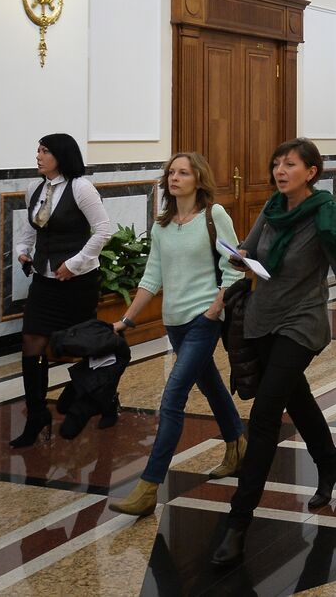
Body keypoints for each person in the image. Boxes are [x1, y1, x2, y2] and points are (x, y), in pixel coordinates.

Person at [210, 137, 336, 568]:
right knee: (298, 398)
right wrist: (240, 260)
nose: (279, 170)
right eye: (276, 164)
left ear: (311, 171)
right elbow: (248, 251)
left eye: (289, 164)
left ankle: (238, 525)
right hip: (261, 319)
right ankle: (329, 464)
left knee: (266, 414)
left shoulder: (324, 216)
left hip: (301, 323)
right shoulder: (272, 210)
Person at [109, 152, 248, 517]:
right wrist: (127, 319)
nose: (175, 178)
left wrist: (216, 307)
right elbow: (151, 276)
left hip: (204, 319)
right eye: (171, 172)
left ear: (198, 179)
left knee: (172, 398)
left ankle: (148, 487)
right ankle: (238, 444)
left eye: (183, 173)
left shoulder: (214, 216)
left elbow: (234, 268)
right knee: (212, 386)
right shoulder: (162, 224)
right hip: (174, 322)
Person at [11, 134, 113, 448]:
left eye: (45, 151)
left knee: (86, 345)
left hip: (78, 282)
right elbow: (30, 228)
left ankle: (107, 399)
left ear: (61, 156)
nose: (38, 156)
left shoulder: (80, 188)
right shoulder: (35, 188)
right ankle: (37, 413)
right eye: (38, 150)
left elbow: (104, 230)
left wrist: (77, 262)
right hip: (43, 281)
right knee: (32, 342)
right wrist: (22, 250)